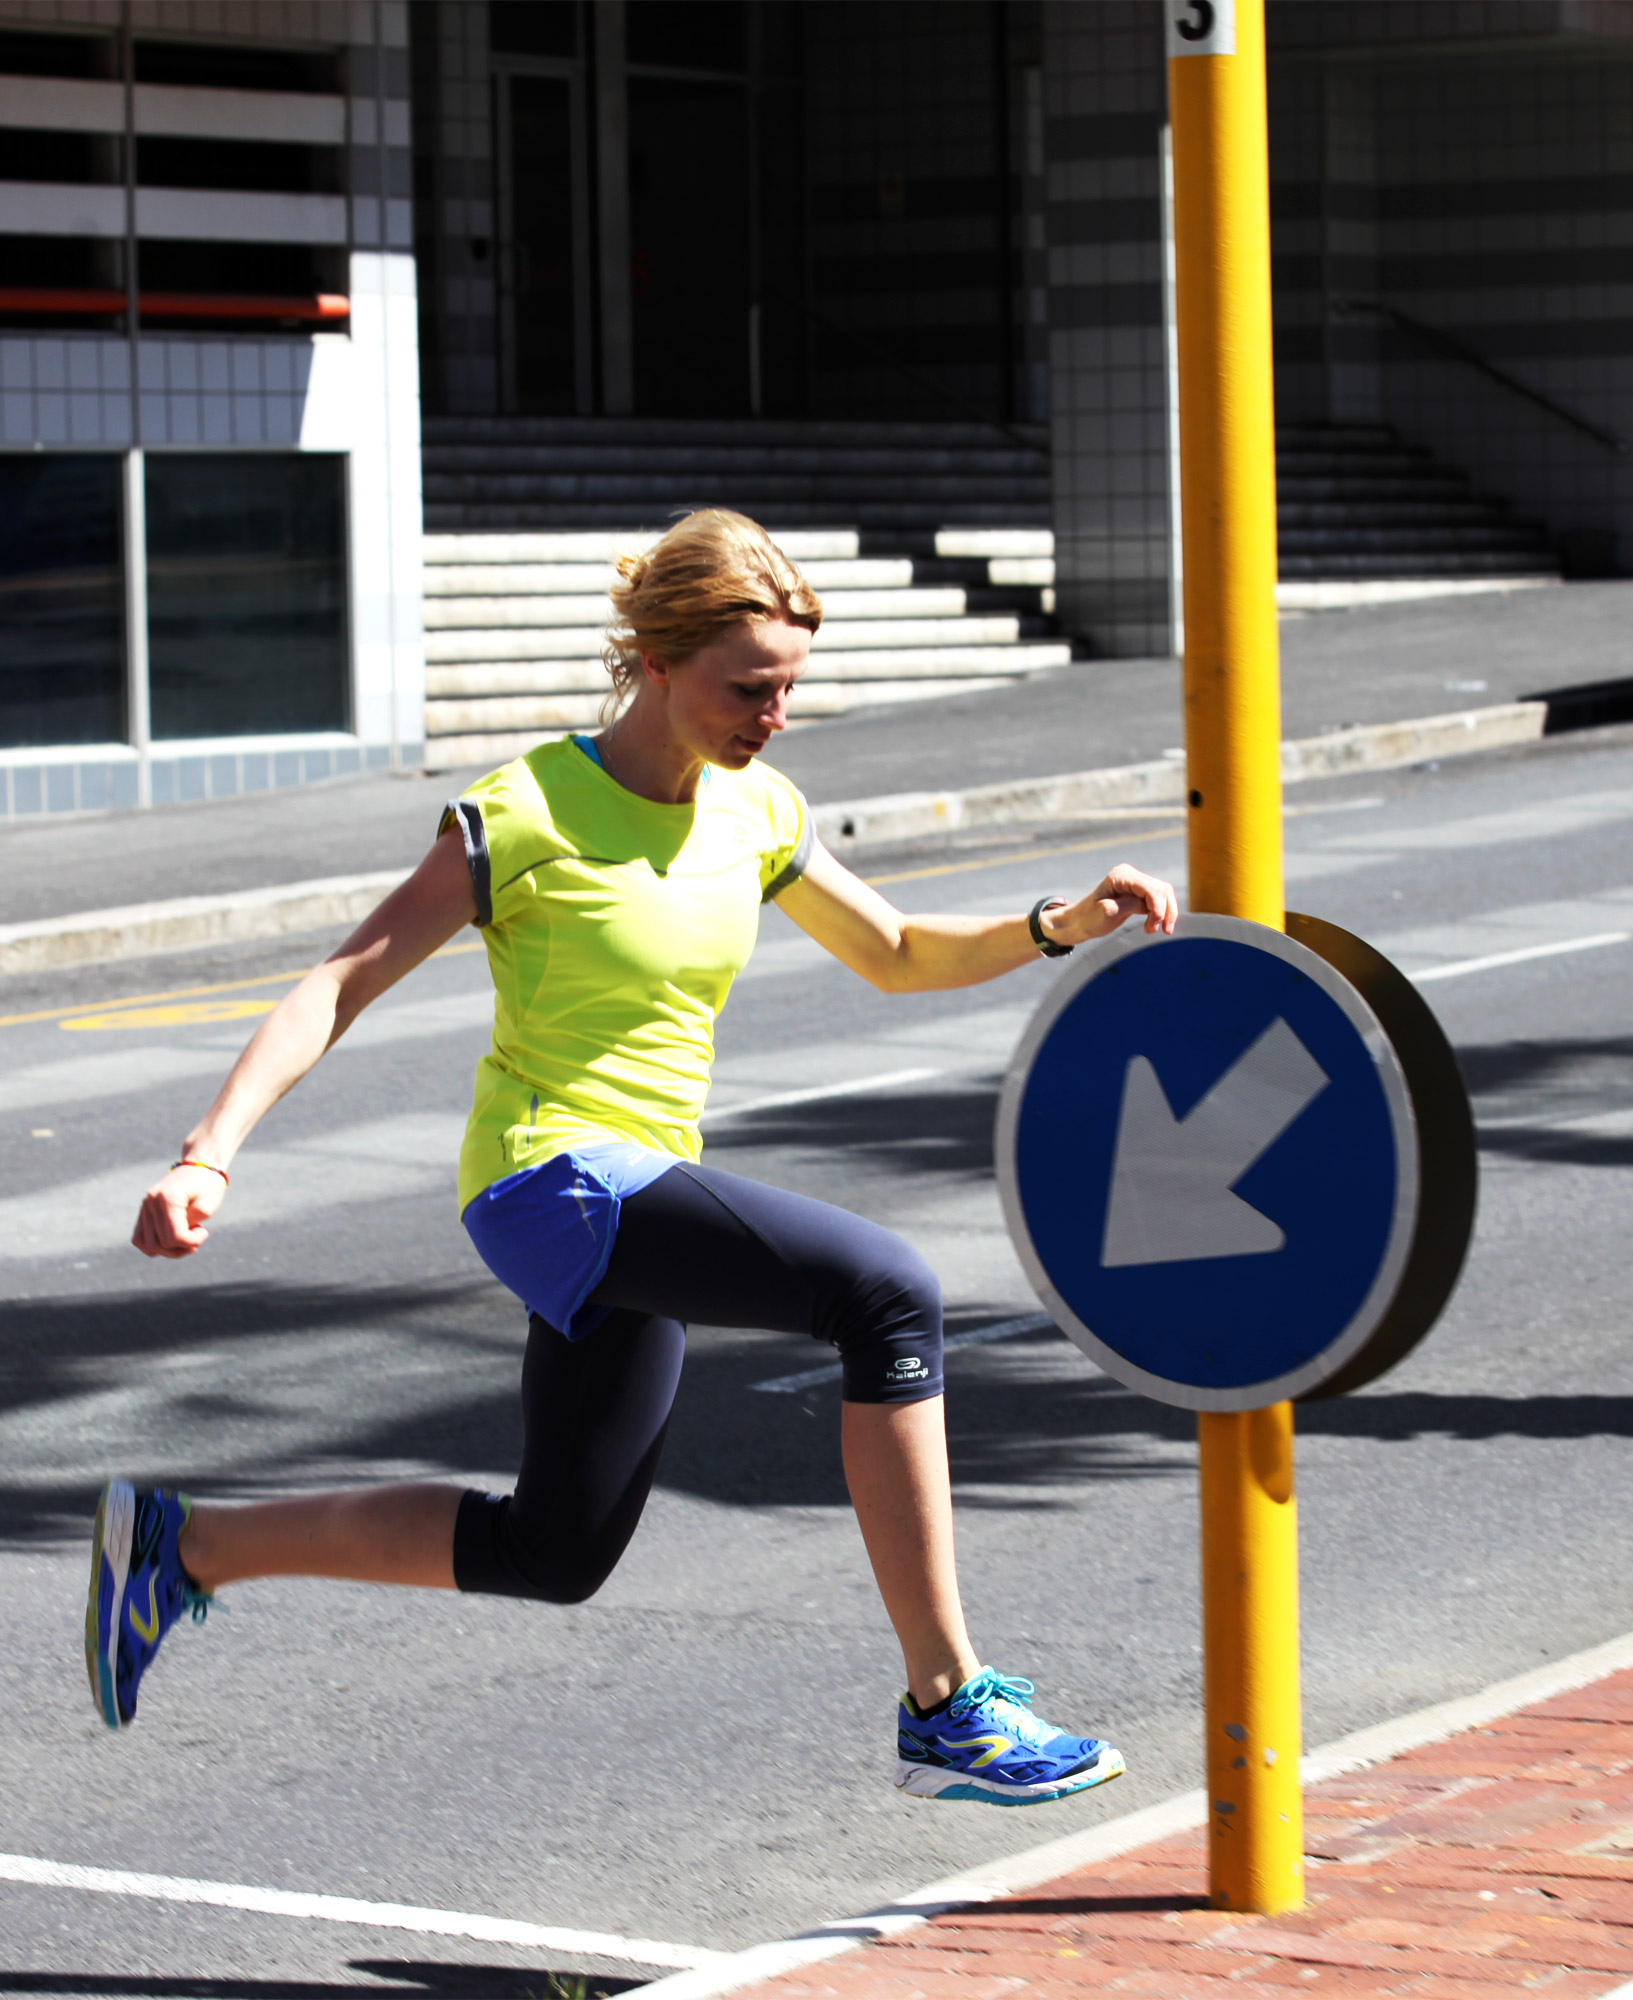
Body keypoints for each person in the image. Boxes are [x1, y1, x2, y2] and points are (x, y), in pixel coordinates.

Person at [88, 509, 1179, 1805]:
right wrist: (209, 1153)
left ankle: (182, 1548)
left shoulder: (756, 809)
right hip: (549, 1176)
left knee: (553, 1548)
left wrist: (1059, 923)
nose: (774, 715)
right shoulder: (526, 811)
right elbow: (342, 982)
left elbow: (893, 953)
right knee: (887, 1291)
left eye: (789, 688)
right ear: (656, 662)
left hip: (639, 1188)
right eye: (749, 687)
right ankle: (948, 1703)